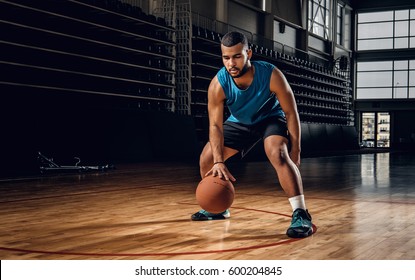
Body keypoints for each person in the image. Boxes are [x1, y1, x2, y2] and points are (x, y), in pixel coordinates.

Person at [190, 31, 313, 238]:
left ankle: (301, 213)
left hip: (270, 118)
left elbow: (291, 112)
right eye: (226, 58)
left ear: (249, 53)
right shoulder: (218, 84)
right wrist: (219, 161)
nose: (231, 63)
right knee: (207, 158)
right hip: (239, 122)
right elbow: (215, 126)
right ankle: (217, 207)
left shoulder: (271, 75)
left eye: (237, 56)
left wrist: (296, 148)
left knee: (277, 153)